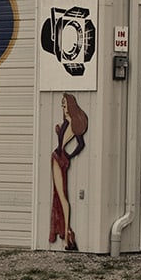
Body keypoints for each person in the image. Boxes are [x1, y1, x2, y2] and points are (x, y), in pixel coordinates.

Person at [50, 92, 88, 251]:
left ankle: (66, 236)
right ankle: (68, 232)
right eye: (62, 104)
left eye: (65, 104)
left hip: (60, 159)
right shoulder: (67, 121)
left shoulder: (73, 122)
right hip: (58, 157)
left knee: (62, 196)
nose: (63, 107)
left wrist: (68, 155)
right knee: (59, 195)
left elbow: (81, 144)